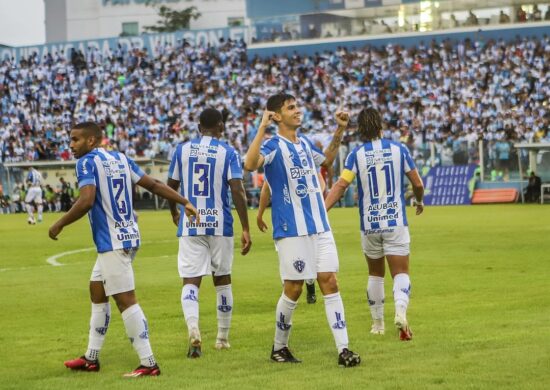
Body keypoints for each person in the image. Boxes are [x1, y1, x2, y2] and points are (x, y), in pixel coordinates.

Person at [48, 121, 200, 377]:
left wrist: (59, 223)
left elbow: (86, 200)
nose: (71, 145)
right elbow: (152, 184)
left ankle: (149, 363)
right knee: (97, 291)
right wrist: (184, 200)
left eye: (75, 140)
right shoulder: (120, 158)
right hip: (129, 236)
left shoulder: (86, 163)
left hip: (112, 242)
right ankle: (91, 358)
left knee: (126, 300)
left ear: (91, 141)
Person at [244, 93, 360, 367]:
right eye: (290, 108)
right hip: (291, 229)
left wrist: (340, 130)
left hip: (320, 226)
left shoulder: (306, 143)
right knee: (294, 288)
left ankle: (344, 350)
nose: (297, 111)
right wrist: (262, 128)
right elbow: (249, 165)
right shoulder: (272, 145)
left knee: (330, 281)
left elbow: (326, 161)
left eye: (297, 106)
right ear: (276, 115)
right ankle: (279, 347)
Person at [325, 107, 424, 341]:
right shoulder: (399, 149)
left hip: (369, 224)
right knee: (400, 272)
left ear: (360, 130)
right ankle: (400, 311)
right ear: (380, 125)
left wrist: (322, 210)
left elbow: (340, 186)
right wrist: (419, 199)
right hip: (395, 221)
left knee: (375, 274)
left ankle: (377, 324)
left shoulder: (356, 155)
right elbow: (417, 183)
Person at [167, 108, 252, 358]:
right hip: (220, 224)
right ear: (221, 127)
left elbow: (170, 185)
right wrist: (246, 227)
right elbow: (237, 190)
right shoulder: (228, 152)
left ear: (198, 127)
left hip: (191, 222)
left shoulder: (181, 150)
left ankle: (194, 329)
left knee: (191, 280)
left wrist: (174, 211)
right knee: (222, 279)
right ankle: (222, 338)